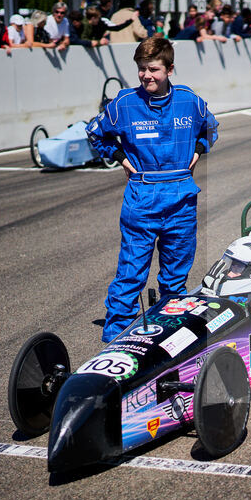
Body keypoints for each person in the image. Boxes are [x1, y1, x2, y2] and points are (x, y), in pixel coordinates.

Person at [86, 37, 219, 342]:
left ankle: (169, 335)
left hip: (182, 199)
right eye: (142, 69)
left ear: (170, 69)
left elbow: (211, 127)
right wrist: (119, 158)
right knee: (131, 272)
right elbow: (95, 134)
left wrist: (199, 149)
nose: (146, 75)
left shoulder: (190, 100)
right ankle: (115, 336)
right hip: (142, 198)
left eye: (153, 69)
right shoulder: (124, 103)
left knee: (175, 276)